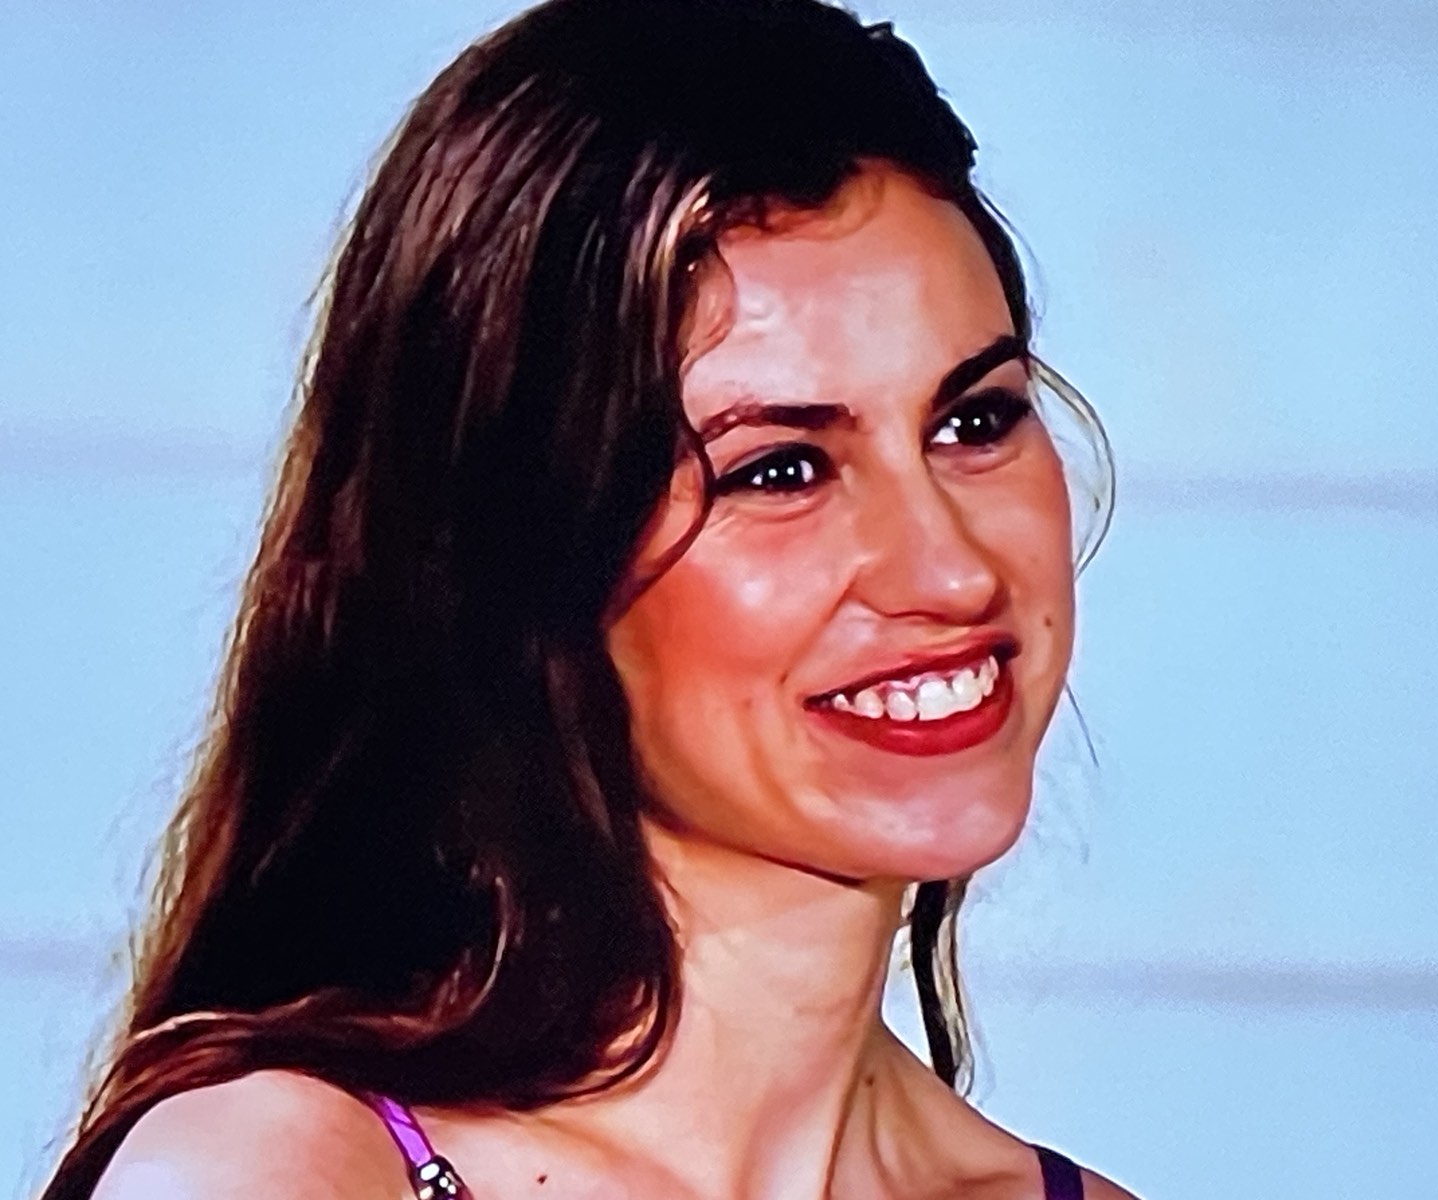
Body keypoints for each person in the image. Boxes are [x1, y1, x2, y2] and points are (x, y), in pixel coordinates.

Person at [40, 0, 1127, 1196]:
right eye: (778, 470)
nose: (951, 572)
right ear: (517, 567)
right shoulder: (283, 1174)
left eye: (974, 421)